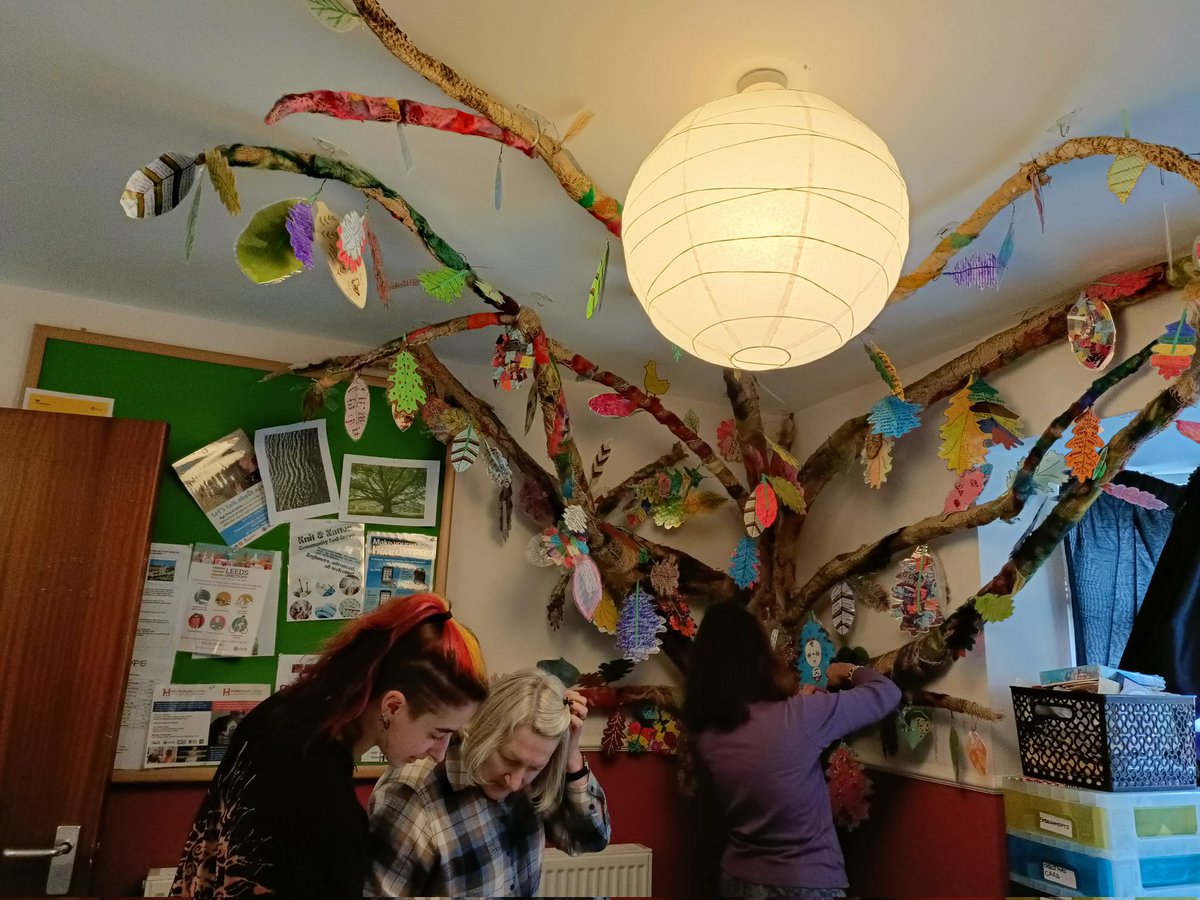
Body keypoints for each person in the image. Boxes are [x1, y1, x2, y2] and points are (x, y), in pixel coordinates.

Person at [171, 593, 488, 899]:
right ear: (392, 706)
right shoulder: (332, 815)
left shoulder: (277, 712)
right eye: (437, 733)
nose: (439, 753)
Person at [683, 602, 901, 899]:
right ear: (759, 659)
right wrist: (847, 671)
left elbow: (762, 742)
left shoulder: (705, 734)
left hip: (738, 880)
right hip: (806, 883)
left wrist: (800, 705)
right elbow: (886, 693)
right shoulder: (800, 716)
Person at [367, 667, 610, 897]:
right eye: (508, 759)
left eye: (534, 768)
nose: (515, 783)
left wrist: (571, 756)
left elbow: (591, 839)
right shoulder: (409, 794)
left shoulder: (533, 769)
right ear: (485, 729)